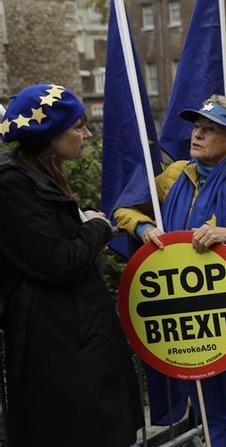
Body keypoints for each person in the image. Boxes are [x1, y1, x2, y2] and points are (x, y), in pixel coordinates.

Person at [115, 95, 226, 447]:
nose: (198, 135)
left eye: (211, 130)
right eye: (197, 127)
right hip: (190, 319)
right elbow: (122, 210)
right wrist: (145, 228)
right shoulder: (175, 175)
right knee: (212, 417)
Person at [0, 83, 145, 446]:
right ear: (50, 135)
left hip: (78, 339)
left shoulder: (39, 178)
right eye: (77, 127)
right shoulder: (12, 186)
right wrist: (96, 227)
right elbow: (59, 261)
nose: (87, 134)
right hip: (57, 349)